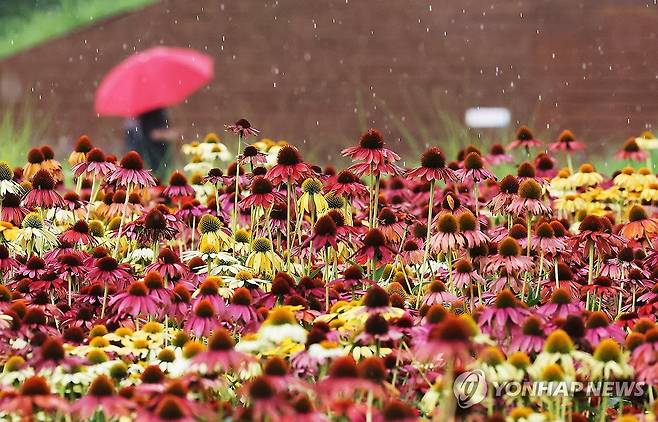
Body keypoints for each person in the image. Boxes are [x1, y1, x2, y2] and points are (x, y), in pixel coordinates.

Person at [125, 108, 177, 177]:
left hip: (147, 152)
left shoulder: (138, 113)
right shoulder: (151, 110)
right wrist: (167, 135)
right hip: (153, 153)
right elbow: (153, 133)